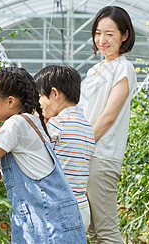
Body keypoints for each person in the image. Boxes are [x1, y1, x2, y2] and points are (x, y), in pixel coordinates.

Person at [0, 66, 87, 243]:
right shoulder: (29, 122)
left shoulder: (16, 124)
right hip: (47, 220)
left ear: (10, 102)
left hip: (47, 223)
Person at [77, 6, 137, 243]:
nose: (102, 40)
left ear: (125, 35)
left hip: (101, 155)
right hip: (88, 154)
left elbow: (109, 115)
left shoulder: (123, 67)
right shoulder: (94, 70)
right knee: (93, 231)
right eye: (98, 33)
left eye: (110, 34)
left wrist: (82, 145)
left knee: (106, 231)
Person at [34, 65, 95, 230]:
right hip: (81, 205)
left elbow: (35, 155)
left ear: (54, 93)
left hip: (61, 207)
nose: (38, 104)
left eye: (40, 96)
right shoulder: (86, 126)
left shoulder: (56, 125)